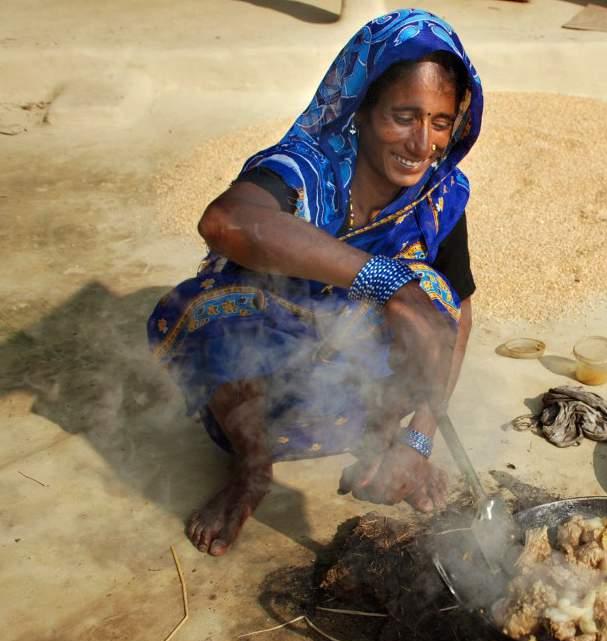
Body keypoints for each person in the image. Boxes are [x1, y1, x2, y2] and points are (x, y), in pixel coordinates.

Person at [148, 9, 483, 556]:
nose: (422, 144)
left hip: (348, 397)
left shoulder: (438, 194)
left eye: (440, 122)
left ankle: (383, 448)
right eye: (404, 115)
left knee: (434, 297)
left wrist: (420, 436)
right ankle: (252, 468)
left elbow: (458, 314)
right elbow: (225, 222)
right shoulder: (307, 168)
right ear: (364, 108)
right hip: (257, 385)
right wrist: (385, 281)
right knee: (209, 308)